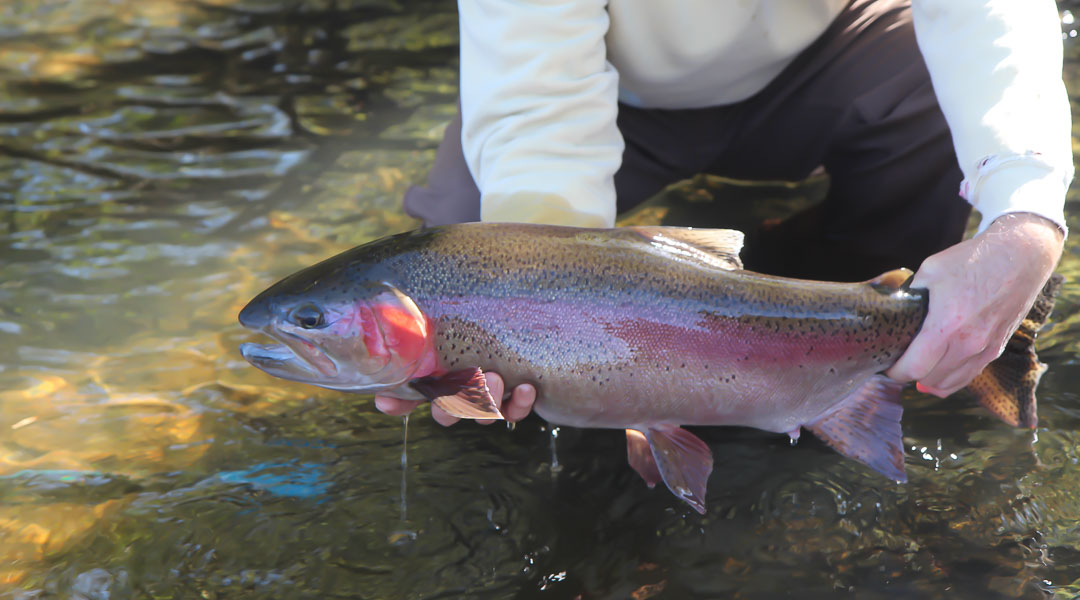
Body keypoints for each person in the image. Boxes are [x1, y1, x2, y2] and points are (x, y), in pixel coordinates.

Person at [376, 0, 1072, 426]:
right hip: (603, 91)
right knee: (450, 260)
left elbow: (989, 10)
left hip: (827, 54)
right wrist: (524, 311)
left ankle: (856, 334)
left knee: (927, 91)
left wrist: (1025, 214)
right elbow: (535, 113)